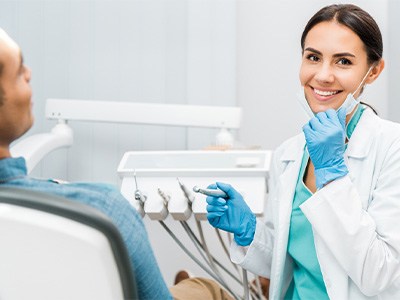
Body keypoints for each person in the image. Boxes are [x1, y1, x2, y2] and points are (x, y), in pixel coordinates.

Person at [0, 28, 236, 300]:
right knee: (210, 290)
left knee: (189, 287)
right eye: (18, 71)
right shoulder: (104, 209)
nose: (29, 73)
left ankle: (189, 284)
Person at [206, 4, 400, 300]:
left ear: (373, 71)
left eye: (343, 62)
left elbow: (381, 276)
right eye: (313, 57)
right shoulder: (289, 154)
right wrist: (249, 231)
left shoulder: (391, 148)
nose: (322, 76)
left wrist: (332, 175)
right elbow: (285, 262)